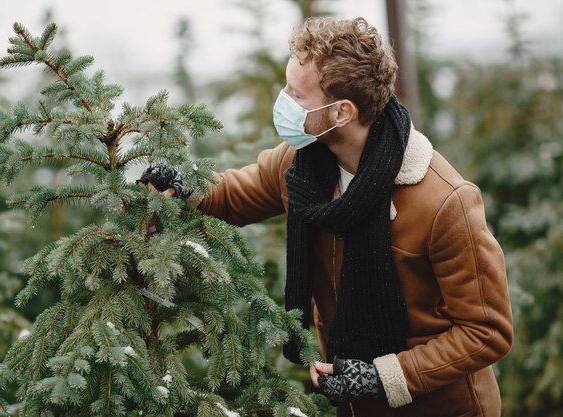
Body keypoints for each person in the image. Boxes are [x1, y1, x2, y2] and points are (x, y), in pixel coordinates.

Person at [138, 16, 513, 417]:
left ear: (341, 113)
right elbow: (234, 193)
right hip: (353, 405)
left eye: (296, 95)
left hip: (443, 408)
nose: (282, 100)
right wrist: (183, 183)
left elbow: (486, 332)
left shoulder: (444, 202)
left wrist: (380, 375)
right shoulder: (304, 164)